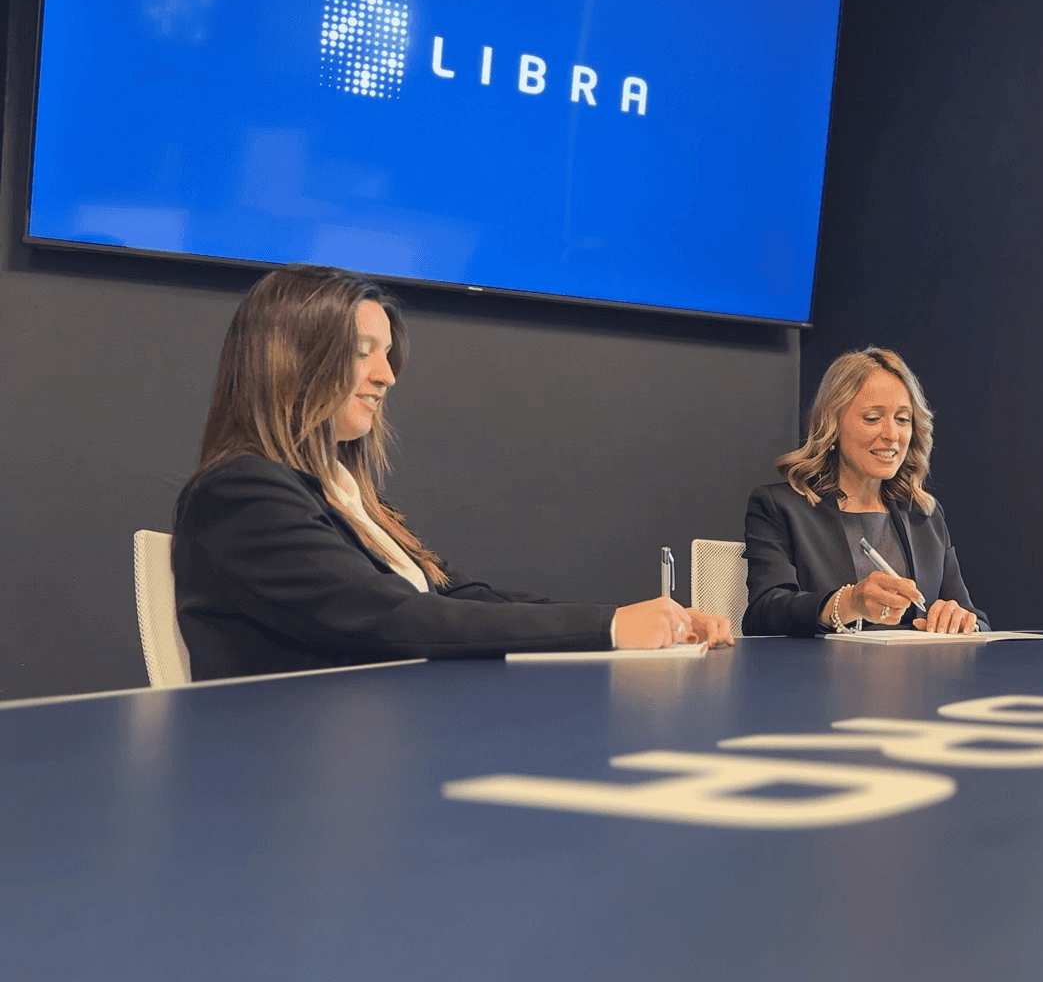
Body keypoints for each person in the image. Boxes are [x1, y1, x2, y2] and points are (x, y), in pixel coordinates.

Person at [172, 265, 732, 680]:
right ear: (289, 358)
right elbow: (396, 620)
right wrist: (608, 631)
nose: (387, 376)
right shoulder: (241, 493)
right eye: (361, 351)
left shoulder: (343, 493)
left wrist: (637, 620)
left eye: (388, 354)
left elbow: (458, 596)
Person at [744, 347, 989, 637]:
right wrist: (848, 603)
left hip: (920, 679)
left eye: (903, 419)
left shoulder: (925, 515)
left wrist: (962, 620)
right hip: (820, 679)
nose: (892, 434)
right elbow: (763, 614)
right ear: (832, 425)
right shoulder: (778, 506)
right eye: (873, 418)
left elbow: (974, 618)